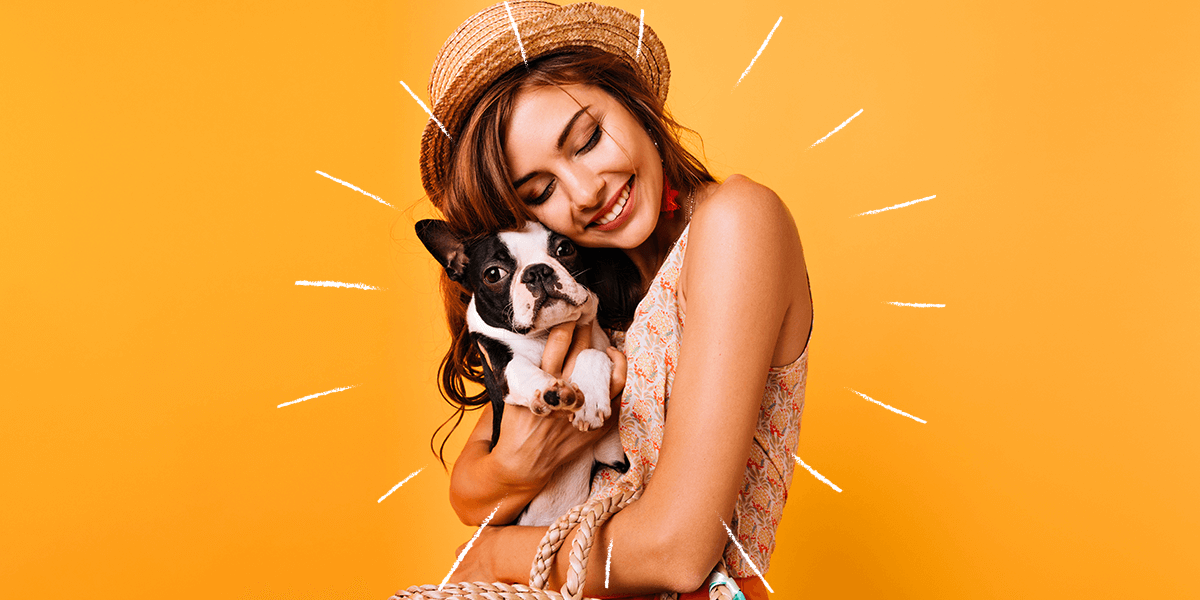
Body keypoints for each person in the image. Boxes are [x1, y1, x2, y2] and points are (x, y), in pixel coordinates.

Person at [416, 2, 811, 598]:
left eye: (588, 139)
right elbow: (470, 490)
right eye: (542, 190)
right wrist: (518, 464)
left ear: (632, 99)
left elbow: (677, 553)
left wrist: (495, 553)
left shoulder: (737, 223)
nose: (585, 190)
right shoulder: (584, 288)